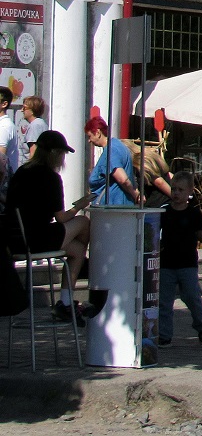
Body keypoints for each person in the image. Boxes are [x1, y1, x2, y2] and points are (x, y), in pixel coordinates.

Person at [2, 130, 96, 323]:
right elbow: (61, 218)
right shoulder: (51, 177)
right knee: (84, 222)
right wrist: (79, 206)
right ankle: (86, 269)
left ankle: (66, 302)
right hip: (36, 237)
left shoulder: (21, 172)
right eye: (62, 154)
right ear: (54, 153)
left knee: (77, 250)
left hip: (14, 238)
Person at [158, 171, 202, 345]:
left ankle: (201, 324)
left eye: (181, 189)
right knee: (164, 302)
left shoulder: (193, 214)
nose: (176, 193)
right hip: (166, 263)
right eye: (174, 189)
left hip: (187, 263)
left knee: (191, 296)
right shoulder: (164, 212)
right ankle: (164, 335)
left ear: (190, 191)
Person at [86, 117, 142, 206]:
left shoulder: (111, 150)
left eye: (90, 136)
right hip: (117, 206)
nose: (89, 141)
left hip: (113, 208)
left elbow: (122, 179)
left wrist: (136, 195)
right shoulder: (117, 145)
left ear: (97, 133)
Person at [21, 96, 48, 161]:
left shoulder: (35, 125)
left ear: (32, 110)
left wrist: (30, 169)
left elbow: (33, 152)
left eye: (24, 108)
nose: (22, 110)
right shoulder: (39, 123)